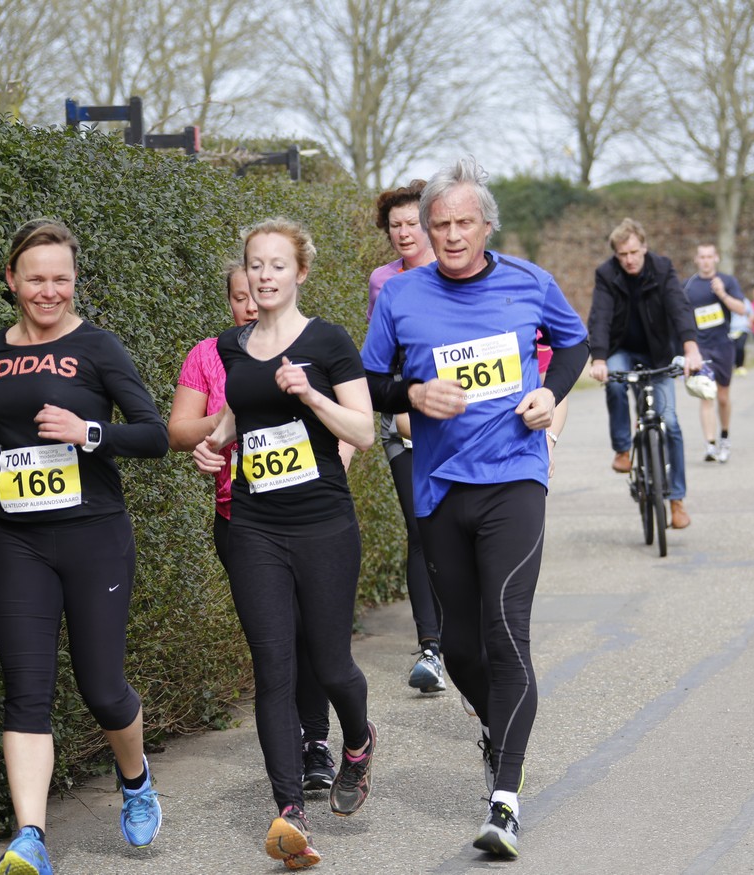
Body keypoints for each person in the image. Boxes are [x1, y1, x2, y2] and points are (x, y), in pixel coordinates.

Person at [361, 157, 588, 860]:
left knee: (505, 631)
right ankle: (498, 729)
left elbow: (574, 343)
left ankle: (505, 800)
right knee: (460, 647)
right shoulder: (401, 297)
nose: (453, 235)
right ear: (426, 231)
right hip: (439, 488)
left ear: (487, 225)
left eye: (464, 222)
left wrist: (549, 393)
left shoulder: (529, 282)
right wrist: (410, 394)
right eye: (441, 225)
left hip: (514, 477)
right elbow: (366, 379)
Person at [0, 219, 169, 875]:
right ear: (11, 280)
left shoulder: (97, 346)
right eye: (36, 279)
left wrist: (89, 431)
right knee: (26, 692)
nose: (48, 291)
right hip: (19, 540)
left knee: (102, 688)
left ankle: (134, 779)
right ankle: (30, 837)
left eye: (61, 279)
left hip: (94, 535)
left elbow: (154, 434)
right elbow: (3, 433)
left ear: (74, 281)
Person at [193, 218, 376, 870]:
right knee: (272, 666)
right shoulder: (231, 346)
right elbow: (237, 414)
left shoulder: (327, 341)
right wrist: (214, 444)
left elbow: (364, 430)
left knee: (330, 665)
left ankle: (358, 742)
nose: (264, 275)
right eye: (255, 264)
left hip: (323, 523)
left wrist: (310, 394)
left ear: (300, 272)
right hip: (254, 526)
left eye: (277, 264)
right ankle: (289, 811)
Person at [168, 263, 337, 797]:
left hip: (308, 513)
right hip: (240, 517)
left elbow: (346, 423)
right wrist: (229, 419)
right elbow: (178, 431)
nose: (249, 304)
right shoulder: (208, 355)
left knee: (310, 632)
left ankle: (317, 741)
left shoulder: (310, 345)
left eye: (256, 293)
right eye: (238, 296)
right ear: (229, 302)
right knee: (275, 641)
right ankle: (292, 769)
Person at [367, 180, 445, 695]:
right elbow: (377, 360)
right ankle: (431, 647)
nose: (403, 232)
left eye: (411, 223)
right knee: (420, 530)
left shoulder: (454, 271)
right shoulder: (383, 281)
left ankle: (469, 629)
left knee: (456, 527)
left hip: (457, 417)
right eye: (394, 225)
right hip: (403, 417)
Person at [588, 218, 703, 529]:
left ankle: (676, 501)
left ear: (644, 247)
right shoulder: (607, 274)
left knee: (672, 424)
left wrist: (690, 348)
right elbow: (600, 316)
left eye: (634, 252)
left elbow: (679, 307)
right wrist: (599, 358)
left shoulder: (662, 268)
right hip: (621, 350)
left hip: (657, 353)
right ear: (616, 254)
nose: (629, 260)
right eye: (622, 255)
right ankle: (623, 449)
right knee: (613, 382)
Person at [680, 243, 745, 463]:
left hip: (723, 345)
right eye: (702, 257)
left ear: (716, 258)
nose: (706, 261)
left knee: (723, 397)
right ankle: (710, 444)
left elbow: (741, 309)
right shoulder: (688, 286)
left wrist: (722, 294)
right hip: (700, 348)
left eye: (709, 256)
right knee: (706, 394)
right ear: (696, 260)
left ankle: (724, 437)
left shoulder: (727, 281)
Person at [730, 290, 753, 377]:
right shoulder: (727, 300)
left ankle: (740, 366)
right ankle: (734, 366)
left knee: (740, 347)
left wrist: (750, 322)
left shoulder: (745, 300)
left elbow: (751, 313)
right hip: (731, 330)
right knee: (733, 349)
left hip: (743, 328)